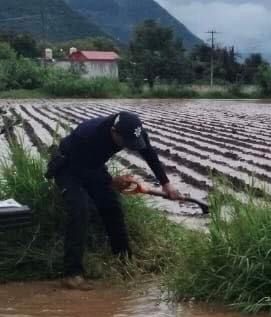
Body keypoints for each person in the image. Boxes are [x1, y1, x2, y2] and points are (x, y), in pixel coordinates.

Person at [45, 110, 182, 290]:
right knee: (80, 210)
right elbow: (81, 169)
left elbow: (148, 153)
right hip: (69, 168)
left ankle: (125, 263)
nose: (129, 145)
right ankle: (72, 274)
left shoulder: (134, 129)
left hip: (94, 165)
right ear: (113, 132)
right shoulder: (88, 134)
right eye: (125, 143)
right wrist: (112, 181)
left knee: (112, 208)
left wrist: (166, 184)